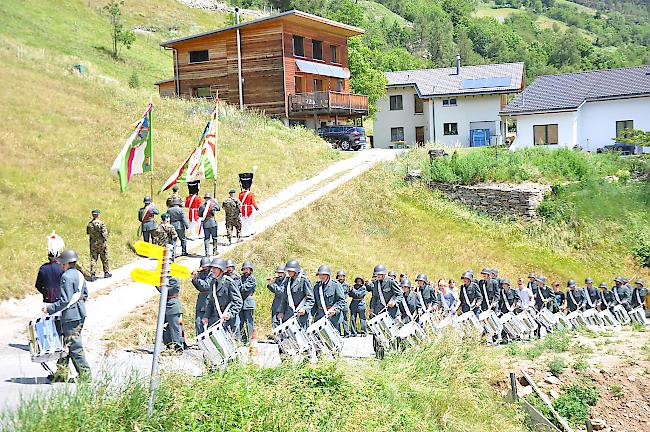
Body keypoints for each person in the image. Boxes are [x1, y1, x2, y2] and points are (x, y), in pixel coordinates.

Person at [42, 250, 90, 382]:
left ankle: (85, 375)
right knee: (65, 344)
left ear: (66, 264)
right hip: (79, 313)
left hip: (70, 317)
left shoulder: (66, 277)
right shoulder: (79, 274)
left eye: (62, 263)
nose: (60, 265)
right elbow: (85, 295)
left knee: (74, 346)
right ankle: (61, 374)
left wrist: (49, 308)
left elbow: (64, 300)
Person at [369, 264, 402, 358]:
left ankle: (394, 353)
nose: (377, 276)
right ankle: (379, 354)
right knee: (378, 333)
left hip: (391, 312)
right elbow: (374, 297)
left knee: (392, 333)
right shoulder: (376, 283)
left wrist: (394, 302)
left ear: (383, 274)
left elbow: (399, 294)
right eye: (376, 275)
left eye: (379, 274)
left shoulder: (391, 282)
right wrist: (371, 309)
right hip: (379, 311)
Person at [202, 258, 243, 335]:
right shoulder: (213, 283)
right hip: (217, 321)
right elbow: (211, 302)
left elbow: (238, 302)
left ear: (221, 269)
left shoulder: (229, 282)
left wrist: (230, 314)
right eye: (212, 268)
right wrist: (206, 316)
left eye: (215, 268)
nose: (212, 270)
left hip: (230, 322)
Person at [278, 259, 314, 330]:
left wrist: (305, 309)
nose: (288, 273)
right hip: (289, 314)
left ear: (295, 271)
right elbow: (284, 298)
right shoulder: (288, 281)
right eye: (288, 271)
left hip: (301, 315)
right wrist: (281, 311)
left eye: (290, 271)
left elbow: (311, 299)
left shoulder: (304, 281)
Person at [157, 277, 184, 353]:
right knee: (164, 327)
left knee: (174, 328)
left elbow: (164, 290)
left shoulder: (174, 280)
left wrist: (156, 283)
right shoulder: (166, 278)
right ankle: (168, 345)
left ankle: (178, 347)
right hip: (165, 306)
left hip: (172, 307)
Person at [86, 209, 111, 282]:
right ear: (98, 215)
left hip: (93, 243)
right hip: (102, 243)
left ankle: (93, 275)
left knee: (93, 258)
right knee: (104, 257)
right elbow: (104, 234)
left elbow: (88, 233)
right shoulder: (102, 223)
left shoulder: (90, 224)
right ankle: (106, 272)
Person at [191, 257, 213, 336]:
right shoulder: (201, 273)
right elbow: (198, 287)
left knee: (210, 320)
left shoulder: (212, 273)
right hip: (201, 299)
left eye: (206, 266)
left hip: (209, 298)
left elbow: (207, 285)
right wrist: (194, 279)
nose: (205, 268)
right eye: (203, 266)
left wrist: (198, 279)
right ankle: (199, 338)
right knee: (198, 320)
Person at [239, 260, 256, 344]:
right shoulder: (241, 278)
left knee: (249, 322)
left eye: (247, 269)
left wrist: (237, 286)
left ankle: (251, 339)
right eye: (244, 269)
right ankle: (243, 339)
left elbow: (245, 288)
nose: (246, 270)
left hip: (249, 302)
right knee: (240, 322)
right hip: (241, 302)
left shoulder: (252, 278)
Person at [335, 271, 351, 337]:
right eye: (339, 276)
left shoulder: (346, 285)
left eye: (342, 276)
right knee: (337, 318)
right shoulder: (335, 284)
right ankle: (338, 332)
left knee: (345, 318)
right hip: (337, 303)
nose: (340, 278)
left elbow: (346, 293)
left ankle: (346, 332)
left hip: (344, 303)